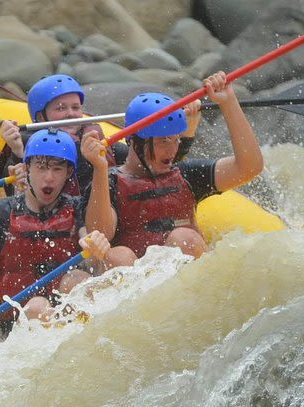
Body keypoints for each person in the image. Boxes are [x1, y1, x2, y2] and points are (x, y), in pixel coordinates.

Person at [81, 71, 264, 264]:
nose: (172, 149)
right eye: (163, 141)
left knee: (184, 238)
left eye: (176, 139)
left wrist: (228, 102)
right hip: (134, 280)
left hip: (186, 278)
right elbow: (101, 233)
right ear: (135, 142)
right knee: (120, 256)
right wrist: (99, 169)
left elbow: (249, 167)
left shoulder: (186, 174)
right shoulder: (109, 181)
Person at [0, 128, 113, 337]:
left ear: (68, 173)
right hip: (14, 323)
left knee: (76, 279)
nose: (49, 178)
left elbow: (87, 236)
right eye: (42, 167)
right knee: (36, 306)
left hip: (63, 314)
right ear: (26, 168)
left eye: (57, 169)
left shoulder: (77, 207)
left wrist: (95, 243)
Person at [0, 74, 127, 197]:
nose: (71, 114)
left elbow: (134, 161)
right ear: (41, 117)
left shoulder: (94, 138)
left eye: (75, 107)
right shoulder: (26, 145)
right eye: (61, 108)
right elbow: (13, 197)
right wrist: (17, 152)